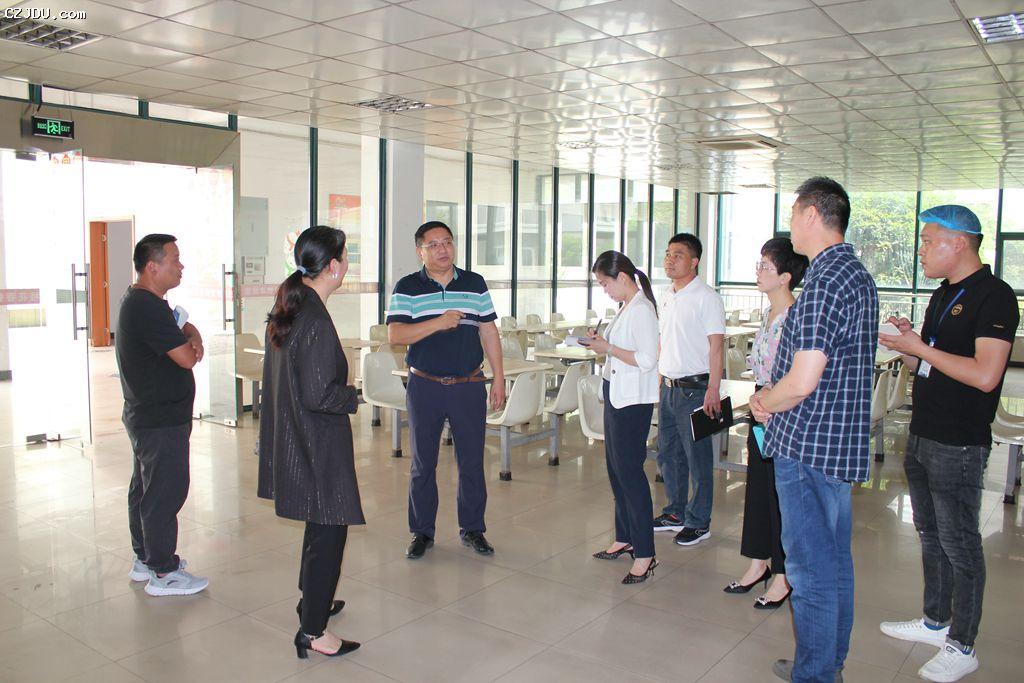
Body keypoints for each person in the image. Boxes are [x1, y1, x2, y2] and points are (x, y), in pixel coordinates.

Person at [878, 205, 1018, 682]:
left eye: (927, 241)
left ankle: (963, 644)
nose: (920, 250)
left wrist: (921, 348)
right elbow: (931, 364)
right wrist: (908, 344)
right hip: (924, 431)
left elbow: (985, 375)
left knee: (960, 542)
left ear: (958, 243)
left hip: (959, 442)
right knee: (930, 534)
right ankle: (936, 621)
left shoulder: (994, 297)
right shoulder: (942, 294)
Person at [749, 177, 878, 683]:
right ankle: (823, 664)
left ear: (810, 215)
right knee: (834, 565)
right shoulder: (855, 274)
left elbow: (802, 382)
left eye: (793, 213)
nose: (790, 224)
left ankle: (816, 674)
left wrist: (764, 401)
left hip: (808, 446)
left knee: (809, 571)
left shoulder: (824, 282)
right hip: (836, 445)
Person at [257, 226, 363, 659]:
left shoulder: (293, 304)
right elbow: (320, 395)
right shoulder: (314, 319)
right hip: (317, 443)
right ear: (334, 266)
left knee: (318, 527)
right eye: (346, 256)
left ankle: (312, 601)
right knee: (329, 532)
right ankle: (314, 631)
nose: (348, 263)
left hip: (297, 437)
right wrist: (353, 395)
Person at [386, 221, 505, 560]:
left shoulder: (474, 283)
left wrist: (498, 377)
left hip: (469, 385)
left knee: (472, 461)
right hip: (425, 386)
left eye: (448, 242)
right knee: (423, 463)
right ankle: (422, 532)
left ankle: (473, 528)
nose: (443, 249)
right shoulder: (407, 287)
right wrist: (438, 322)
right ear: (420, 251)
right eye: (434, 244)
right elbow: (395, 335)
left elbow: (489, 332)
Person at [117, 234, 209, 597]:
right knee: (164, 493)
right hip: (159, 419)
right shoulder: (146, 306)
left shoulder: (146, 302)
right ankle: (163, 572)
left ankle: (145, 558)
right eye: (174, 259)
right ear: (152, 267)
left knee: (146, 489)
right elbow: (186, 356)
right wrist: (192, 343)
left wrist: (190, 336)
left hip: (149, 414)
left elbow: (186, 332)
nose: (181, 265)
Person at [723, 238, 807, 609]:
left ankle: (783, 575)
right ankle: (758, 561)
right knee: (759, 486)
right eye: (758, 265)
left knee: (780, 493)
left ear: (786, 277)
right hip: (760, 403)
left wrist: (767, 399)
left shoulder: (796, 317)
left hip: (782, 408)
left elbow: (794, 374)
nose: (758, 272)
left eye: (766, 267)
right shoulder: (769, 314)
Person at [584, 251, 661, 584]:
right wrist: (601, 343)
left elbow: (647, 359)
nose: (605, 290)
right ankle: (625, 536)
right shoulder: (626, 307)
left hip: (632, 402)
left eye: (605, 283)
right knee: (616, 470)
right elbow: (618, 349)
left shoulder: (642, 310)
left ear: (623, 278)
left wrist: (609, 349)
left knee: (631, 475)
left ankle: (645, 553)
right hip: (616, 394)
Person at [654, 233, 726, 547]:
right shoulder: (667, 295)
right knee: (668, 455)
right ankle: (675, 512)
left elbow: (716, 347)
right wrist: (659, 376)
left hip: (696, 390)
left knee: (698, 460)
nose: (670, 260)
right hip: (668, 388)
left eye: (678, 255)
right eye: (668, 253)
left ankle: (699, 521)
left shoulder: (706, 297)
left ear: (694, 261)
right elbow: (664, 340)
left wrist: (714, 388)